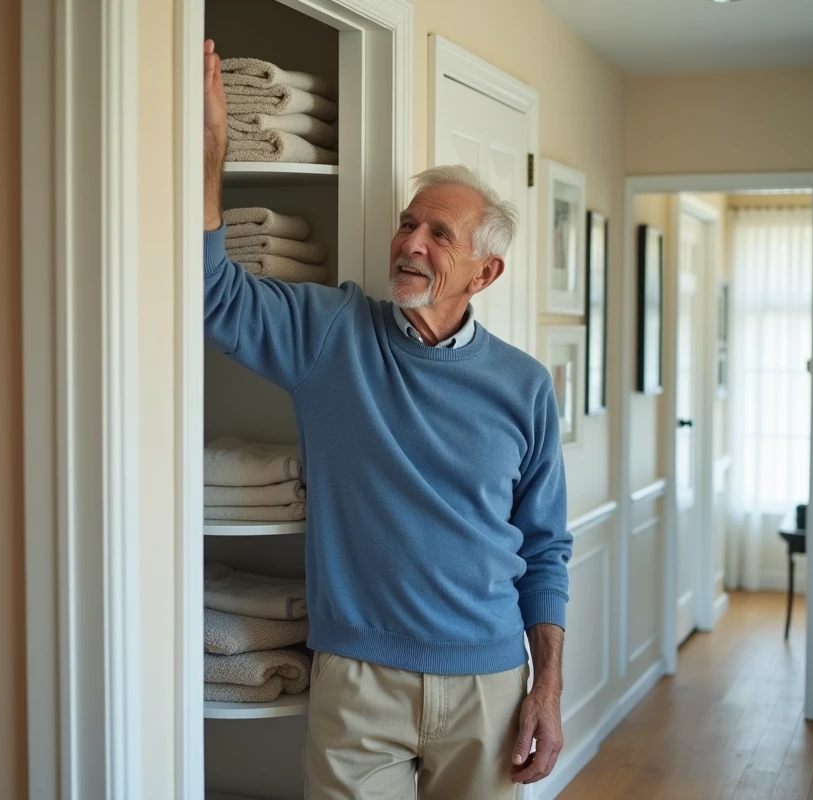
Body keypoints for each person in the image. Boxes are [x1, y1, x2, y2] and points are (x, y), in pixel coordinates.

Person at [202, 39, 572, 799]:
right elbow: (218, 298)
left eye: (439, 234)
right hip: (358, 682)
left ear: (484, 271)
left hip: (490, 684)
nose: (410, 242)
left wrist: (548, 690)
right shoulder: (331, 334)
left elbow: (545, 550)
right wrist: (211, 157)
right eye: (409, 224)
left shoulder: (525, 386)